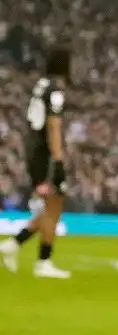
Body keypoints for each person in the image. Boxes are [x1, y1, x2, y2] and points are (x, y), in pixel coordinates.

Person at [0, 47, 75, 278]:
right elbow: (53, 124)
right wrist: (58, 156)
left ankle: (13, 245)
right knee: (54, 206)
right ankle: (43, 261)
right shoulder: (55, 90)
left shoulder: (42, 84)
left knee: (51, 207)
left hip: (34, 150)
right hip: (45, 154)